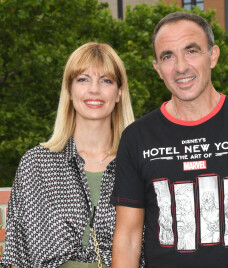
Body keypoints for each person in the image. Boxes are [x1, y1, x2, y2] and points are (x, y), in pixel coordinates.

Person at [110, 12, 228, 267]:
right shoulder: (137, 138)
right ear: (157, 68)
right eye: (168, 56)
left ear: (213, 56)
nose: (180, 67)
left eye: (191, 51)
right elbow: (128, 238)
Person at [0, 42, 135, 268]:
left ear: (119, 92)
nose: (94, 89)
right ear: (69, 91)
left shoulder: (137, 164)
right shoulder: (36, 165)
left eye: (106, 80)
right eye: (83, 79)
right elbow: (16, 255)